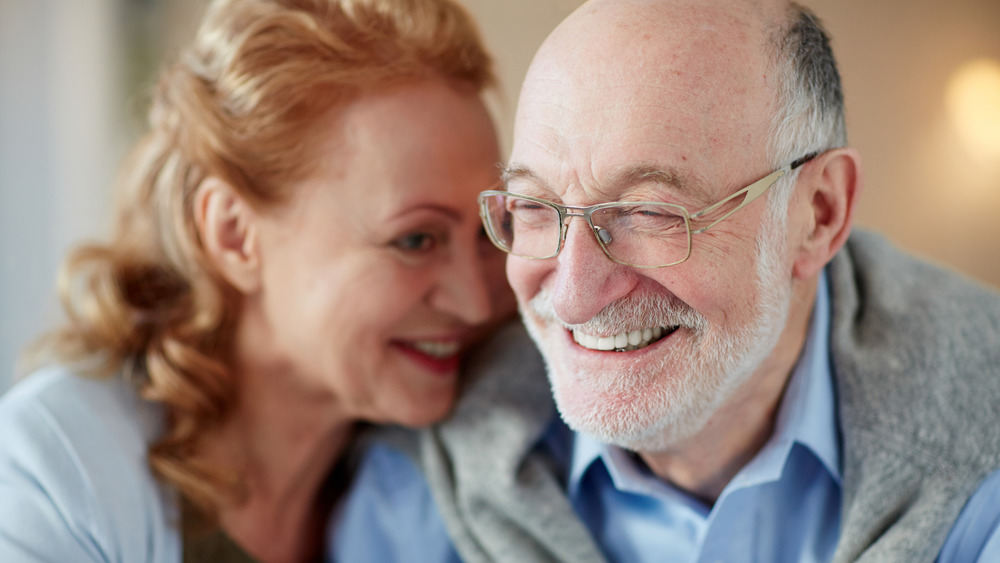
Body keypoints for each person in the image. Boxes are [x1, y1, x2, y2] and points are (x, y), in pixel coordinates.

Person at [331, 0, 1000, 561]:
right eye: (534, 207)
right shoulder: (416, 494)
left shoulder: (982, 452)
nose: (570, 294)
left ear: (818, 213)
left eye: (650, 212)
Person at [0, 0, 516, 561]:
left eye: (490, 233)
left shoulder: (476, 463)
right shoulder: (55, 471)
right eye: (416, 240)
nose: (476, 301)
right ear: (233, 236)